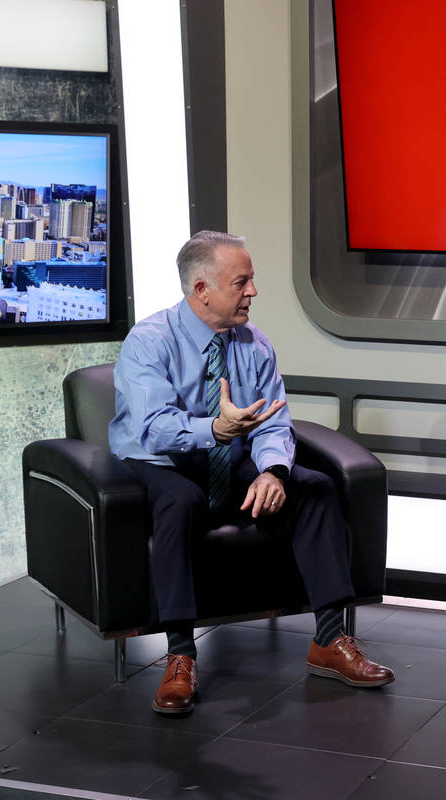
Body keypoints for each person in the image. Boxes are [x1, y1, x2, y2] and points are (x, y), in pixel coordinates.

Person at [109, 230, 394, 716]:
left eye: (252, 281)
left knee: (315, 489)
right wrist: (215, 429)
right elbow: (155, 430)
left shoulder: (254, 343)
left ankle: (329, 639)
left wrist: (273, 471)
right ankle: (179, 654)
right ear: (201, 289)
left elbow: (273, 422)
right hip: (162, 460)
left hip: (229, 454)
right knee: (181, 500)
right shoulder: (149, 341)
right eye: (241, 282)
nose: (252, 293)